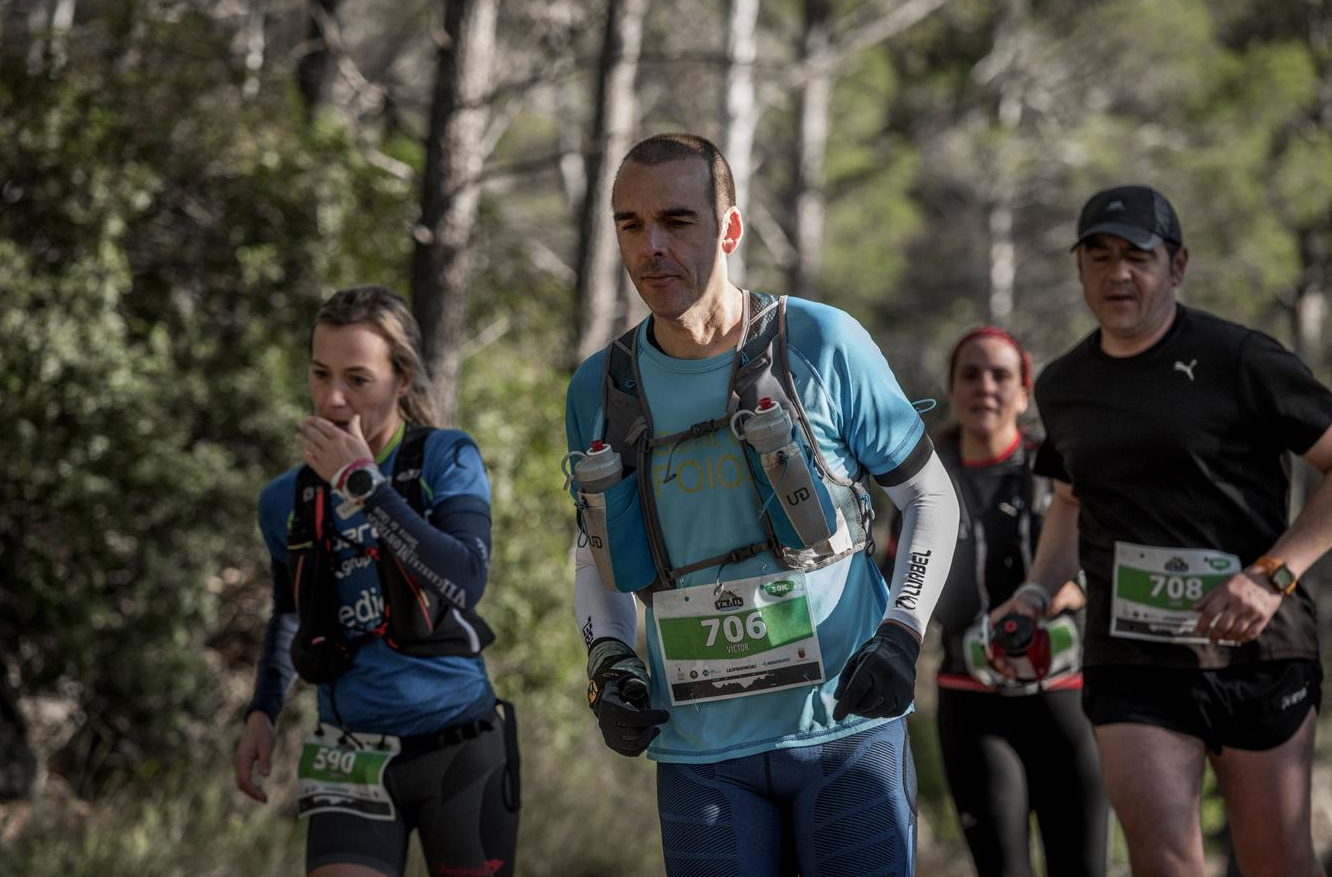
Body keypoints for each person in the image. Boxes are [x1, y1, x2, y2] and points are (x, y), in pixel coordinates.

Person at [564, 132, 959, 876]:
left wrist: (903, 631)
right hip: (702, 758)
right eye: (629, 223)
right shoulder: (600, 387)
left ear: (730, 229)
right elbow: (594, 551)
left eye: (677, 221)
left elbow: (930, 497)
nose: (651, 246)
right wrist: (609, 660)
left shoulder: (821, 340)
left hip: (847, 732)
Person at [992, 185, 1332, 877]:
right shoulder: (1062, 385)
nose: (1118, 273)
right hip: (1134, 661)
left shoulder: (1239, 359)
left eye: (1137, 257)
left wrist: (1272, 576)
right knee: (1164, 865)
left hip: (1257, 651)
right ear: (1080, 268)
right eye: (1099, 255)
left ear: (1175, 266)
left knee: (1277, 863)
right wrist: (1034, 593)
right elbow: (1069, 502)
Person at [233, 285, 519, 877]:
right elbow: (291, 612)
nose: (333, 399)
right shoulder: (285, 498)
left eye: (357, 380)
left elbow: (464, 578)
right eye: (319, 374)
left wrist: (363, 484)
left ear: (402, 381)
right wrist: (262, 709)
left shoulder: (446, 458)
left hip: (458, 746)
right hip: (348, 753)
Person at [887, 327, 1107, 876]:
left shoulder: (1057, 469)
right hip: (972, 699)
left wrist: (1075, 587)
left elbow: (1109, 555)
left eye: (1001, 375)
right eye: (971, 374)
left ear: (1024, 392)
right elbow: (895, 580)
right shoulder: (924, 479)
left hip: (1066, 697)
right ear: (953, 388)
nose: (985, 387)